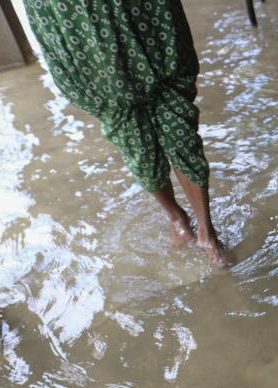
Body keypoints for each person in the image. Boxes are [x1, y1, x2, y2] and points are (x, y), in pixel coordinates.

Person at [22, 0, 231, 266]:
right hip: (76, 17)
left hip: (141, 12)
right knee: (136, 142)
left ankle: (206, 233)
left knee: (180, 127)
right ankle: (178, 219)